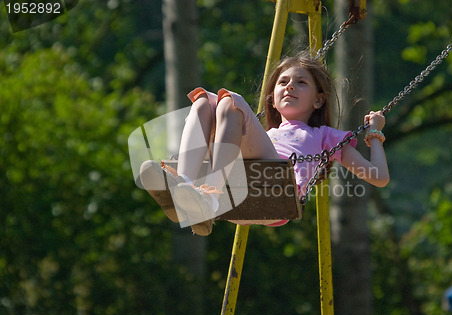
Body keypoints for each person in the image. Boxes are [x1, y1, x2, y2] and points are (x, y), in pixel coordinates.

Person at [140, 53, 389, 236]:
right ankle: (185, 187)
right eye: (283, 82)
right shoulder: (265, 134)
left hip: (277, 193)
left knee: (230, 101)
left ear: (318, 100)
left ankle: (207, 197)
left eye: (301, 82)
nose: (290, 85)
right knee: (203, 101)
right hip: (239, 186)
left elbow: (378, 176)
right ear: (272, 98)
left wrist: (375, 133)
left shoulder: (325, 136)